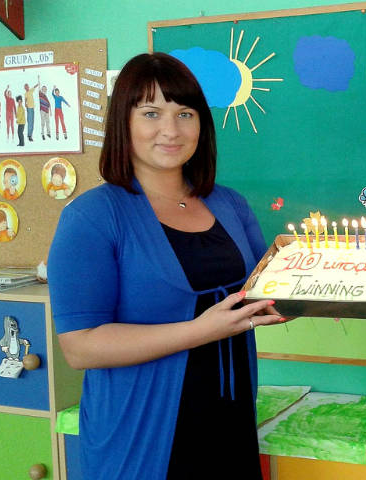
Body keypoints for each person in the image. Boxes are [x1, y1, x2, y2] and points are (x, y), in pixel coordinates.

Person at [48, 52, 285, 479]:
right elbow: (79, 347)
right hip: (140, 432)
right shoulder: (92, 217)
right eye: (151, 113)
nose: (171, 130)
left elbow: (263, 293)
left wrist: (327, 282)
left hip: (228, 422)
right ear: (123, 122)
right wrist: (202, 330)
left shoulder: (229, 204)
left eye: (185, 114)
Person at [24, 77, 40, 142]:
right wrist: (25, 104)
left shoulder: (30, 90)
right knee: (30, 122)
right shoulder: (26, 94)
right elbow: (25, 99)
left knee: (32, 122)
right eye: (26, 87)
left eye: (27, 86)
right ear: (25, 88)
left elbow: (34, 87)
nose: (27, 87)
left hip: (32, 108)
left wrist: (38, 83)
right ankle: (29, 135)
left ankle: (30, 135)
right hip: (29, 108)